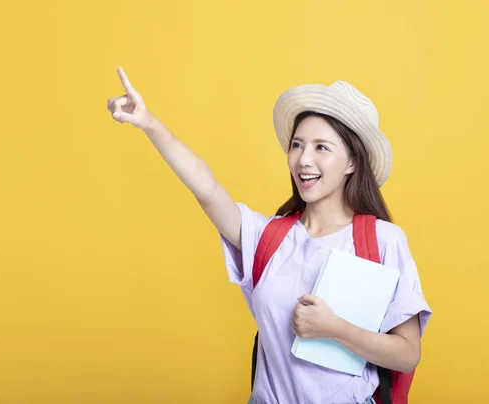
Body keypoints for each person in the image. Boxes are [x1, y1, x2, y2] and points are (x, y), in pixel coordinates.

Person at [107, 67, 432, 404]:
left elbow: (407, 354)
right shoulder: (268, 239)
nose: (304, 160)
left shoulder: (382, 240)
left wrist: (335, 329)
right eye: (297, 145)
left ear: (351, 162)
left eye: (322, 147)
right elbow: (206, 188)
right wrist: (150, 124)